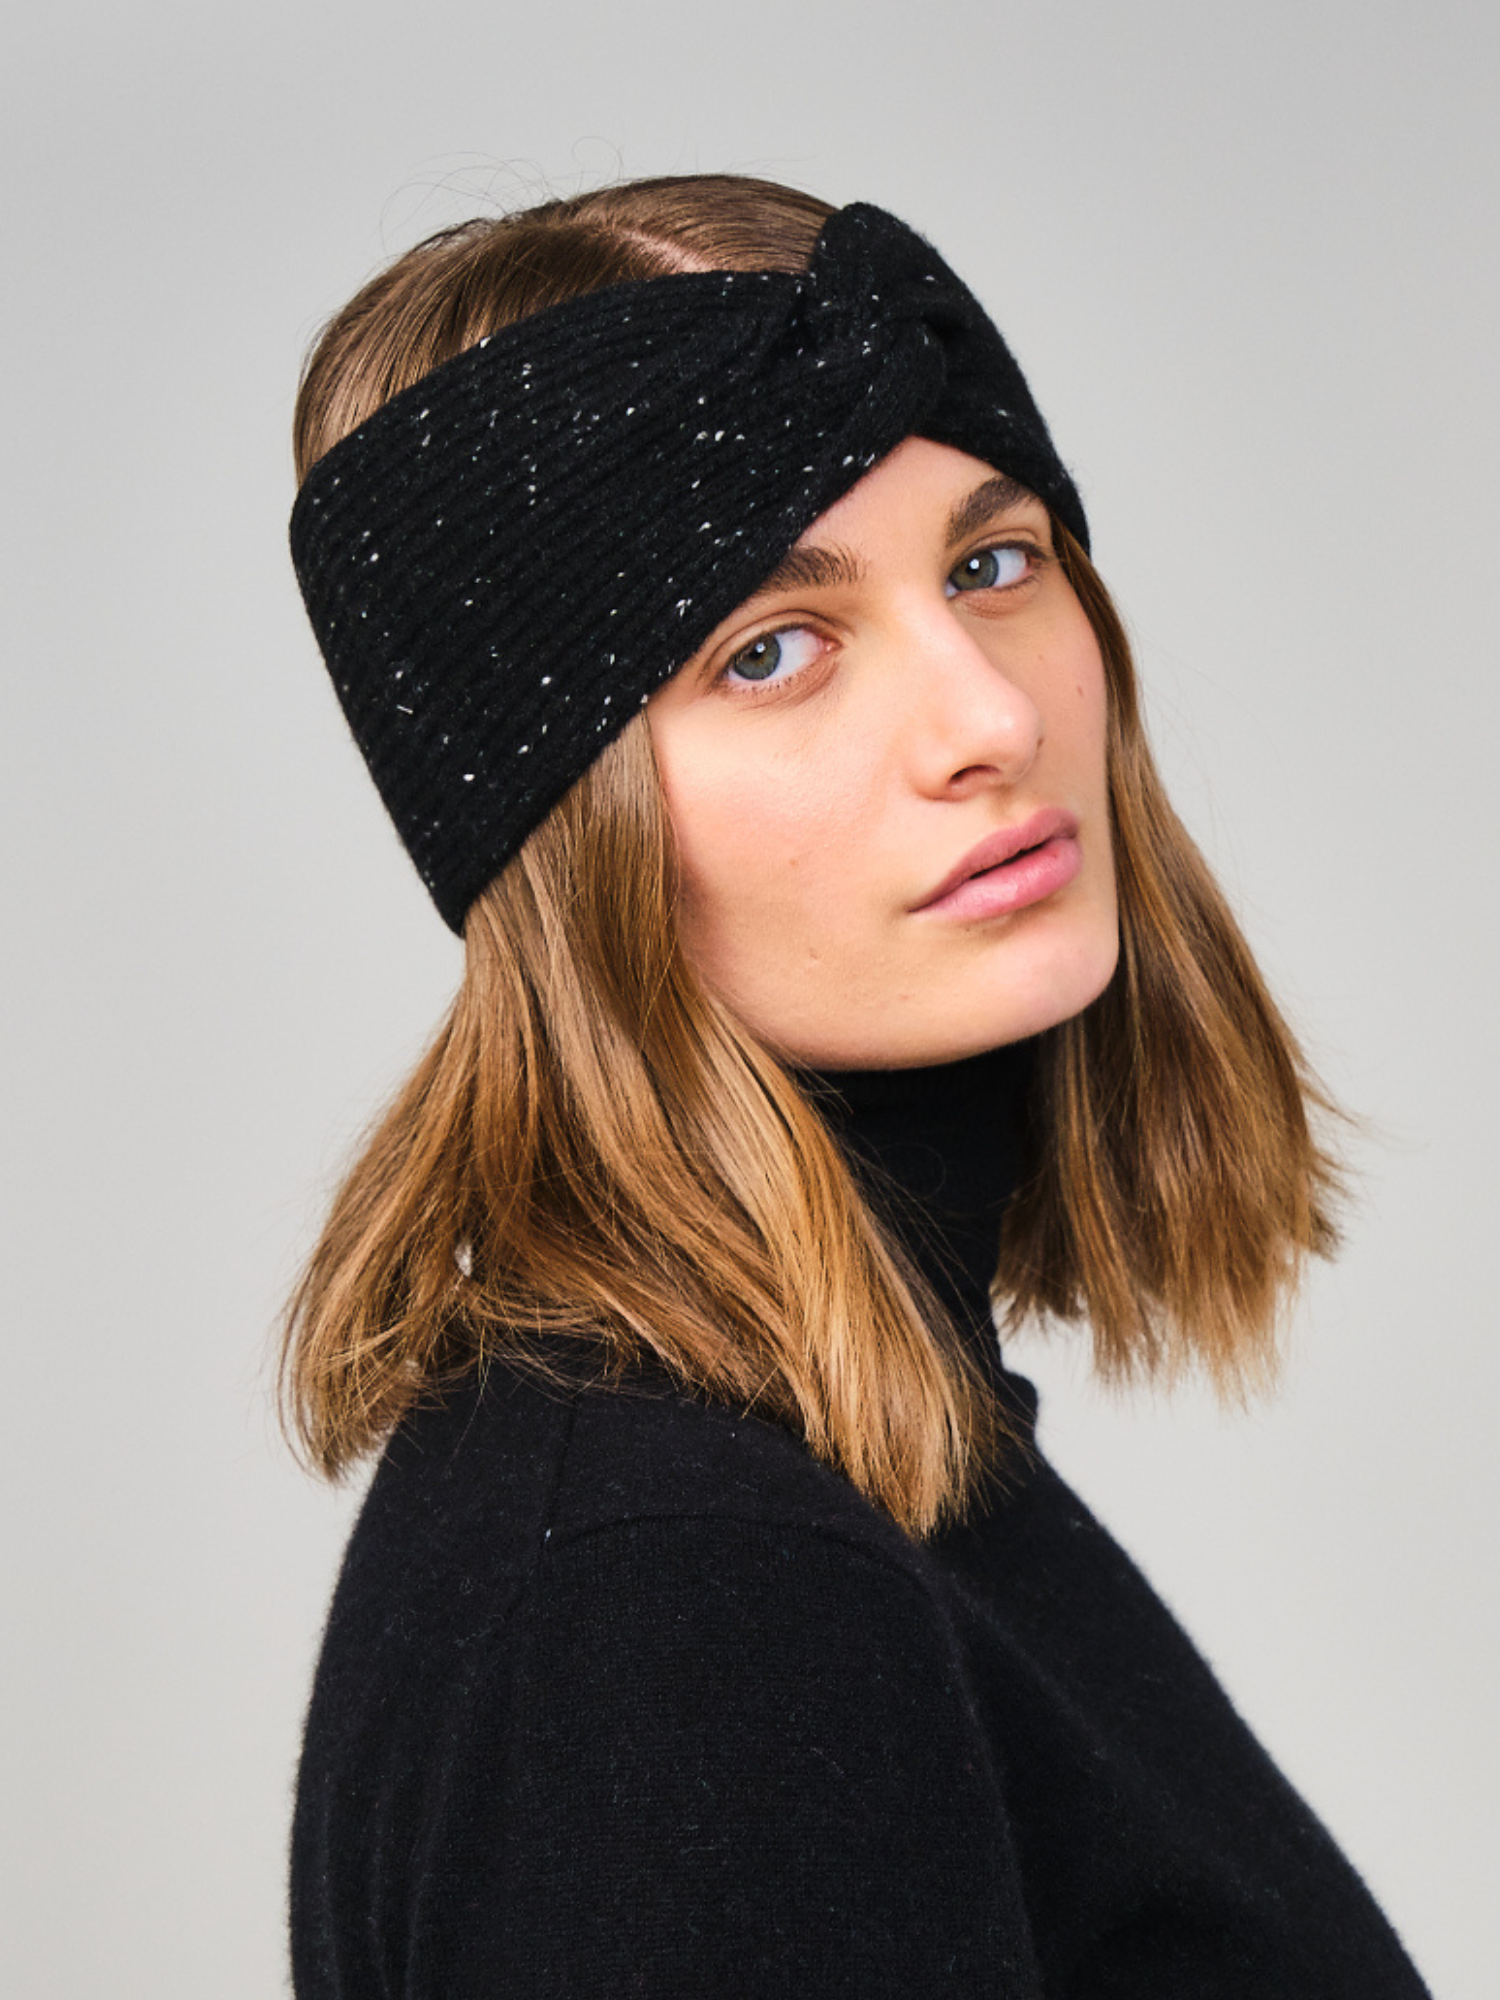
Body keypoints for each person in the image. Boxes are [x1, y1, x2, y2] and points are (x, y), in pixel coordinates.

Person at [281, 172, 1432, 1996]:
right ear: (555, 820)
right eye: (771, 651)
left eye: (993, 564)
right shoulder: (677, 1588)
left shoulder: (826, 1464)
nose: (992, 718)